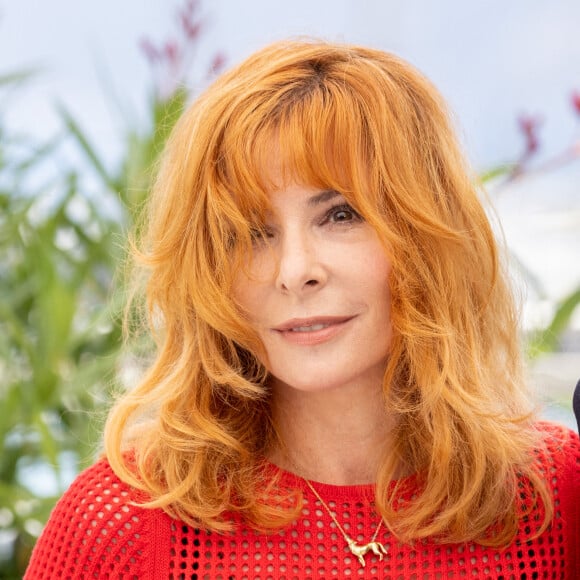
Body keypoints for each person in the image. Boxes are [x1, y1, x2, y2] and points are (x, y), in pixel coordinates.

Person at [25, 40, 579, 579]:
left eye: (340, 215)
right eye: (250, 231)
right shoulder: (122, 525)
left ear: (425, 233)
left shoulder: (556, 496)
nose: (294, 271)